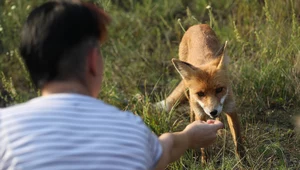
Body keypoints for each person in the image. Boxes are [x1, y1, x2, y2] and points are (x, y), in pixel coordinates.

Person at [0, 1, 224, 170]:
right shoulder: (130, 132)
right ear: (92, 62)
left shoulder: (4, 129)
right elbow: (164, 150)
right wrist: (188, 137)